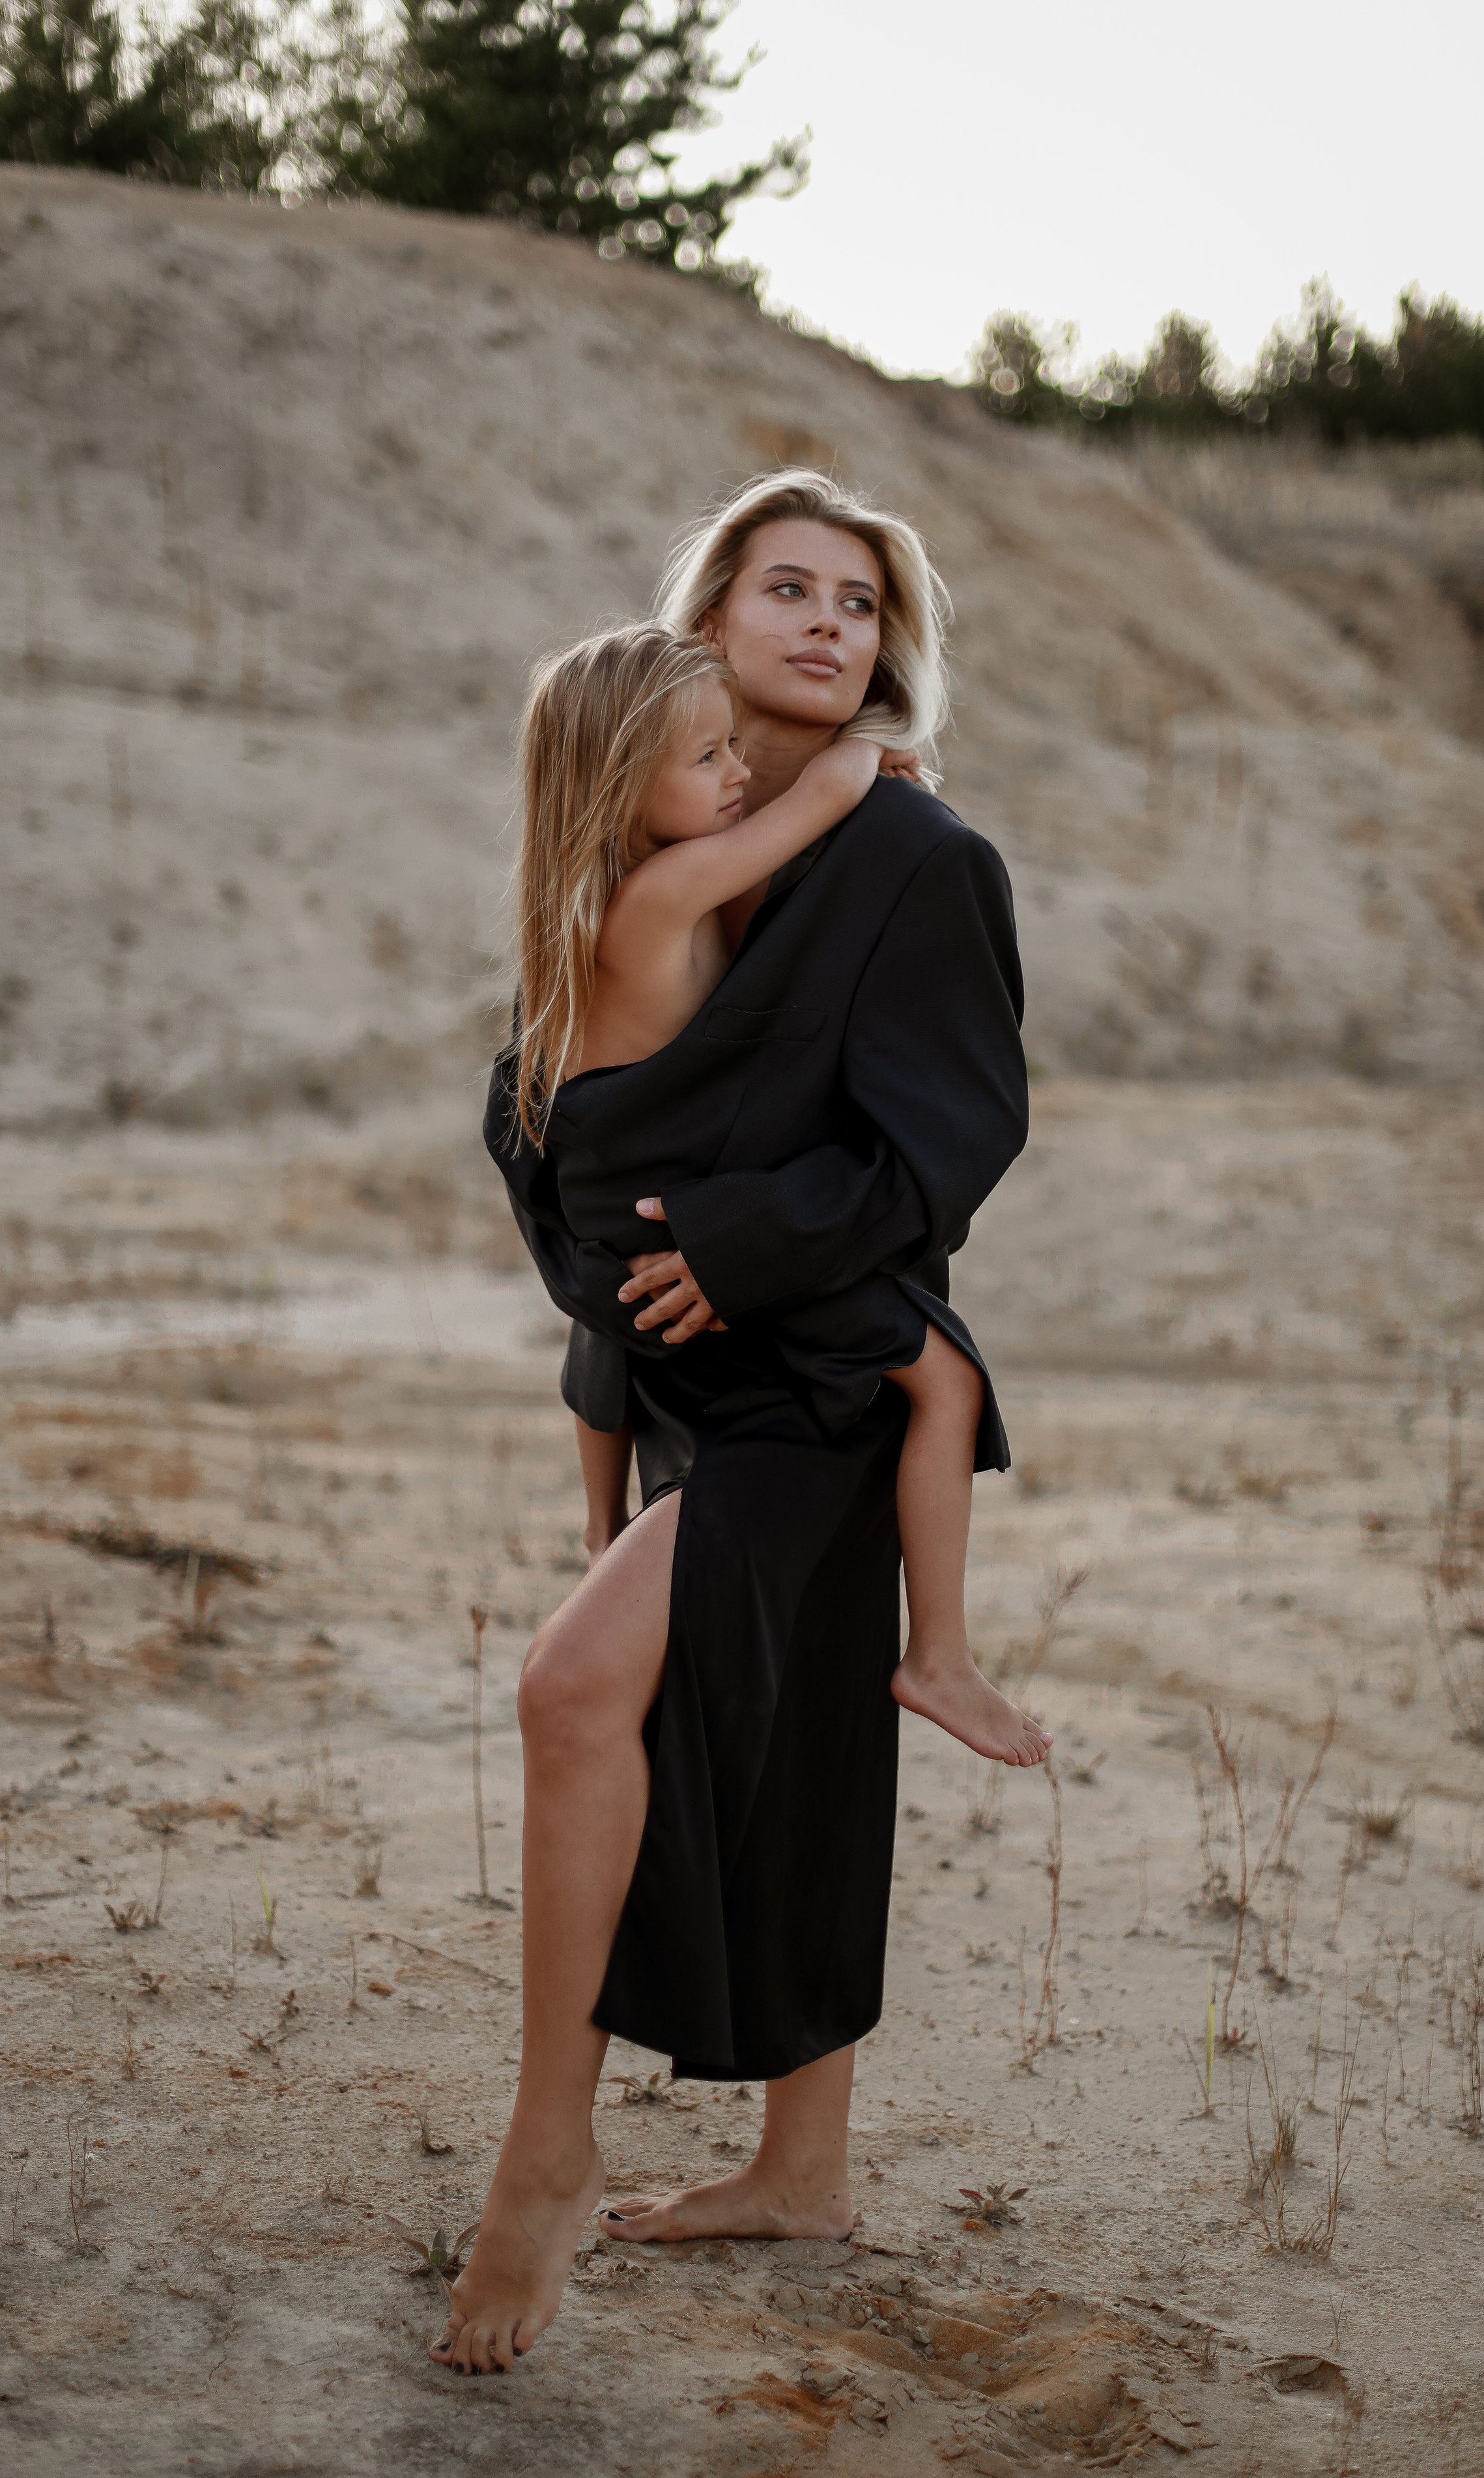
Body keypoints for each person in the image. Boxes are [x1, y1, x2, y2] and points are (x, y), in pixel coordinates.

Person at [434, 470, 1041, 2378]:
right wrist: (616, 1280)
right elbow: (544, 1097)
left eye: (860, 604)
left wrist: (741, 1246)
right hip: (675, 1364)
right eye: (789, 588)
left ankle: (552, 2149)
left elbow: (951, 1137)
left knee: (607, 1698)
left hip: (815, 1365)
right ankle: (802, 2172)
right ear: (705, 617)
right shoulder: (646, 818)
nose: (828, 625)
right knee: (785, 1741)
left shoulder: (916, 853)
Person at [506, 618, 1047, 1759]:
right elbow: (817, 809)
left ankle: (603, 1528)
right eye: (707, 758)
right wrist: (869, 750)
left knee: (608, 1333)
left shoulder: (590, 898)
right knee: (946, 1379)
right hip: (671, 1217)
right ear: (622, 783)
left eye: (732, 752)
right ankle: (939, 1657)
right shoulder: (669, 890)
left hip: (608, 1202)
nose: (738, 775)